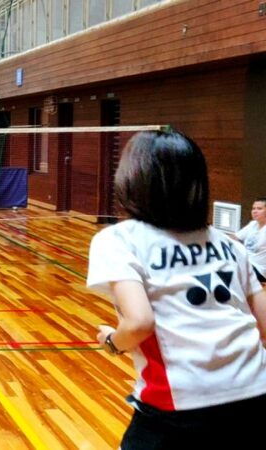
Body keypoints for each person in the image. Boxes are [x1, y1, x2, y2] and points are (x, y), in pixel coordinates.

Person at [86, 131, 266, 449]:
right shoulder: (230, 244)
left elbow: (139, 323)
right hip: (255, 390)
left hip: (179, 401)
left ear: (132, 180)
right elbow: (264, 327)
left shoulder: (118, 239)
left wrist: (112, 343)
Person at [235, 198, 266, 284]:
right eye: (253, 208)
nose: (255, 211)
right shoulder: (253, 224)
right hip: (245, 263)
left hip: (258, 269)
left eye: (259, 209)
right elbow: (234, 237)